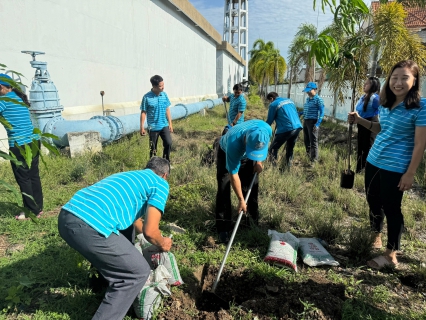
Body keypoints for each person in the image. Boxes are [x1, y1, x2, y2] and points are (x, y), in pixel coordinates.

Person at [58, 157, 172, 320]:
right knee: (137, 272)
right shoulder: (160, 184)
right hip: (89, 226)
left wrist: (140, 241)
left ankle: (99, 285)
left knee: (126, 233)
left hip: (67, 215)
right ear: (165, 175)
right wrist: (163, 243)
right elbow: (151, 232)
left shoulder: (130, 176)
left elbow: (133, 221)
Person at [348, 60, 426, 269]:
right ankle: (376, 234)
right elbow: (380, 128)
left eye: (404, 78)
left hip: (396, 166)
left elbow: (420, 144)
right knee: (373, 200)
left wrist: (410, 173)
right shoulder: (386, 103)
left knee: (392, 208)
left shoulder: (421, 107)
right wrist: (359, 120)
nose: (398, 82)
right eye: (394, 78)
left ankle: (391, 254)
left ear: (415, 80)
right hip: (374, 160)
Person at [215, 119, 272, 243]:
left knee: (252, 186)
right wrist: (241, 200)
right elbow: (233, 175)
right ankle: (223, 227)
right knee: (224, 188)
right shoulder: (233, 143)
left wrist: (258, 161)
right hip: (225, 153)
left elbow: (262, 146)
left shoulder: (266, 130)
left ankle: (251, 220)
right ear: (246, 140)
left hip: (247, 156)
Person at [0, 74, 43, 220]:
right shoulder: (19, 98)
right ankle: (37, 207)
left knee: (23, 179)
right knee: (33, 176)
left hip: (20, 145)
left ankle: (32, 211)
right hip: (34, 142)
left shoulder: (4, 101)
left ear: (3, 87)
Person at [140, 75, 173, 162]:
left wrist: (170, 124)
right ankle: (153, 165)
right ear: (154, 86)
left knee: (168, 143)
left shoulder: (164, 95)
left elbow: (167, 109)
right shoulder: (147, 97)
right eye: (160, 86)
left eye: (163, 85)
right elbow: (143, 112)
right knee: (153, 148)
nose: (163, 87)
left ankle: (166, 162)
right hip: (153, 127)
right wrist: (142, 127)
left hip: (164, 125)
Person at [266, 92, 302, 169]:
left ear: (271, 98)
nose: (270, 102)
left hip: (287, 128)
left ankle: (273, 168)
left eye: (270, 101)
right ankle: (288, 167)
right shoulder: (289, 100)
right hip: (297, 127)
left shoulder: (273, 104)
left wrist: (263, 129)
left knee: (273, 149)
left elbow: (269, 120)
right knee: (290, 148)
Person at [355, 77, 381, 173]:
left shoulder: (375, 99)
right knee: (361, 147)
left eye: (367, 84)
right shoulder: (363, 97)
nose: (364, 85)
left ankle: (367, 170)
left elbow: (384, 111)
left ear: (373, 85)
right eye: (364, 83)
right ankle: (359, 169)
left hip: (371, 125)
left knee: (368, 148)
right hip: (361, 124)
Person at [302, 82, 324, 163]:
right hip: (306, 121)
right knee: (306, 140)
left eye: (309, 91)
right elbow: (305, 110)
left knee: (313, 141)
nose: (307, 92)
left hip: (313, 122)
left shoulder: (318, 100)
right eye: (307, 91)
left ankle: (314, 160)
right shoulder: (308, 99)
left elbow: (322, 113)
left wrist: (317, 124)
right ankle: (309, 156)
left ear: (315, 90)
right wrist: (300, 113)